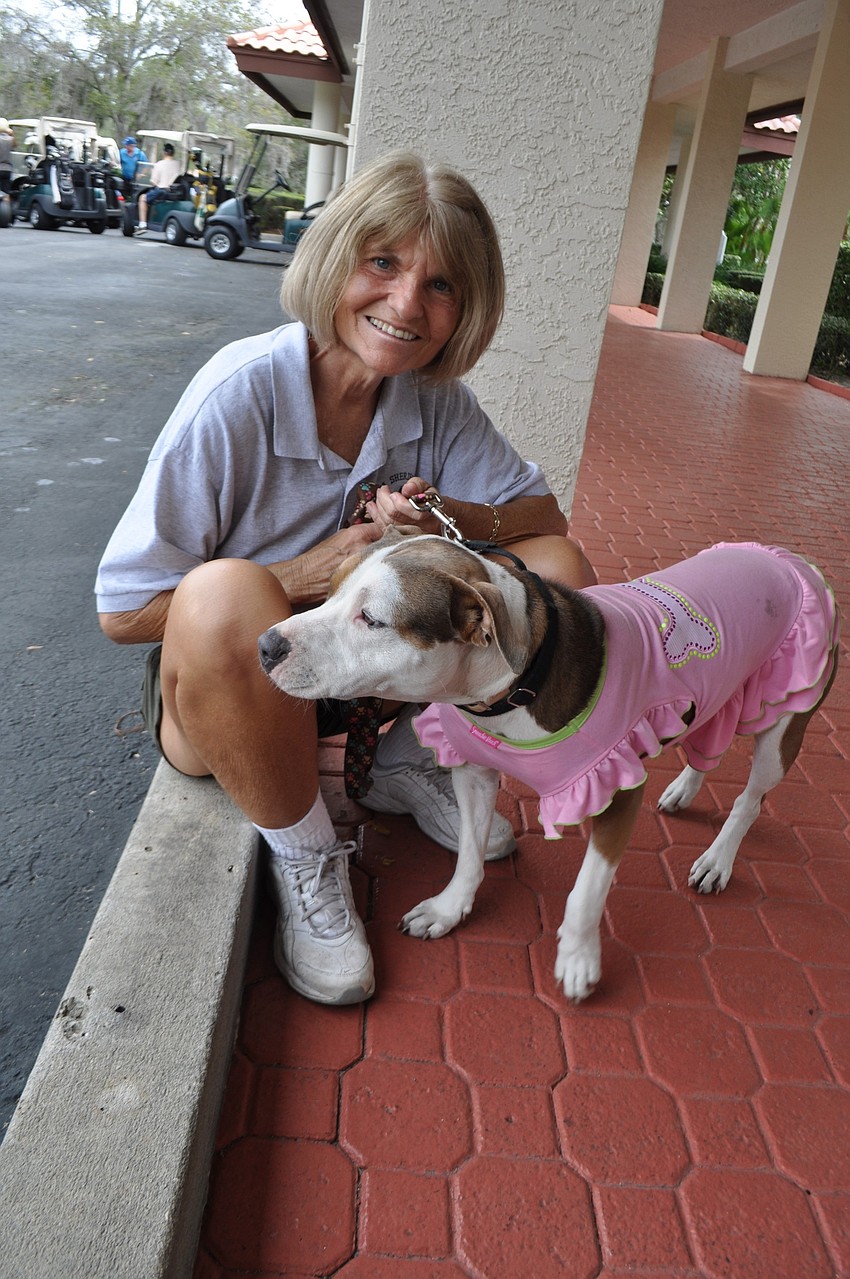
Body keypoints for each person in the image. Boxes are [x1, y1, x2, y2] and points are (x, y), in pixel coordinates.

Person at [95, 150, 596, 1008]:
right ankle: (306, 856)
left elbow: (544, 521)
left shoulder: (436, 404)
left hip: (364, 684)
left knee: (556, 573)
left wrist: (451, 521)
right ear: (335, 259)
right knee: (226, 592)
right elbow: (123, 610)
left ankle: (410, 755)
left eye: (440, 286)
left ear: (463, 311)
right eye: (384, 262)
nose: (406, 304)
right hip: (232, 685)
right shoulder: (238, 393)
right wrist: (307, 571)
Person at [136, 142, 181, 232]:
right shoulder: (178, 164)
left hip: (161, 191)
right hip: (174, 192)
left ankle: (142, 224)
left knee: (142, 198)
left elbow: (153, 182)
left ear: (165, 152)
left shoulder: (159, 164)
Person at [0, 119, 14, 195]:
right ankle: (7, 205)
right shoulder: (10, 139)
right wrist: (12, 134)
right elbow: (14, 145)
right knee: (6, 193)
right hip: (7, 169)